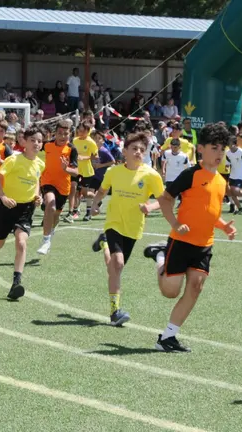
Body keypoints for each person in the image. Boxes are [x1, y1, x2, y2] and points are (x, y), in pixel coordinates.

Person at [143, 123, 236, 352]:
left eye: (222, 149)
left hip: (204, 245)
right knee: (170, 291)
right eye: (214, 148)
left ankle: (168, 338)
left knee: (195, 287)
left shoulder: (222, 182)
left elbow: (211, 213)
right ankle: (160, 256)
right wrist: (174, 223)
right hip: (181, 241)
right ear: (201, 149)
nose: (219, 153)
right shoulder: (190, 175)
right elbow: (166, 199)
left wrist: (224, 226)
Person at [90, 132, 164, 326]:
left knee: (114, 268)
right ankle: (115, 311)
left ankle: (104, 243)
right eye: (134, 149)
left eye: (142, 149)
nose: (138, 152)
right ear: (124, 151)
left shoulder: (151, 175)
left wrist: (150, 207)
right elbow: (103, 190)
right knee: (118, 264)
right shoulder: (113, 171)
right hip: (114, 222)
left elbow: (164, 201)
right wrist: (95, 204)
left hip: (133, 228)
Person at [0, 128, 45, 300]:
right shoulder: (14, 159)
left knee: (22, 243)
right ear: (24, 142)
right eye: (33, 140)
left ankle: (16, 283)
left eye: (39, 140)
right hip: (8, 207)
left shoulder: (40, 163)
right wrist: (2, 197)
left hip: (26, 210)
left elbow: (37, 181)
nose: (36, 143)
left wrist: (37, 196)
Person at [37, 119, 78, 255]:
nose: (62, 136)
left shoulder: (71, 149)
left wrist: (66, 169)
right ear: (55, 133)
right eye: (60, 133)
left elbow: (76, 172)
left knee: (56, 214)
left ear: (70, 134)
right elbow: (32, 146)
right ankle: (45, 241)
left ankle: (51, 231)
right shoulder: (47, 145)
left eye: (65, 134)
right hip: (47, 182)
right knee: (50, 205)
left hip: (63, 187)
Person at [74, 121, 98, 221]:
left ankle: (95, 201)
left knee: (84, 193)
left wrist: (86, 157)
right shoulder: (75, 140)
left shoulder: (90, 142)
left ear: (88, 131)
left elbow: (96, 156)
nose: (80, 133)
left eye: (83, 131)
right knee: (75, 191)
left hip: (87, 171)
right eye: (79, 131)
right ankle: (75, 211)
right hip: (75, 170)